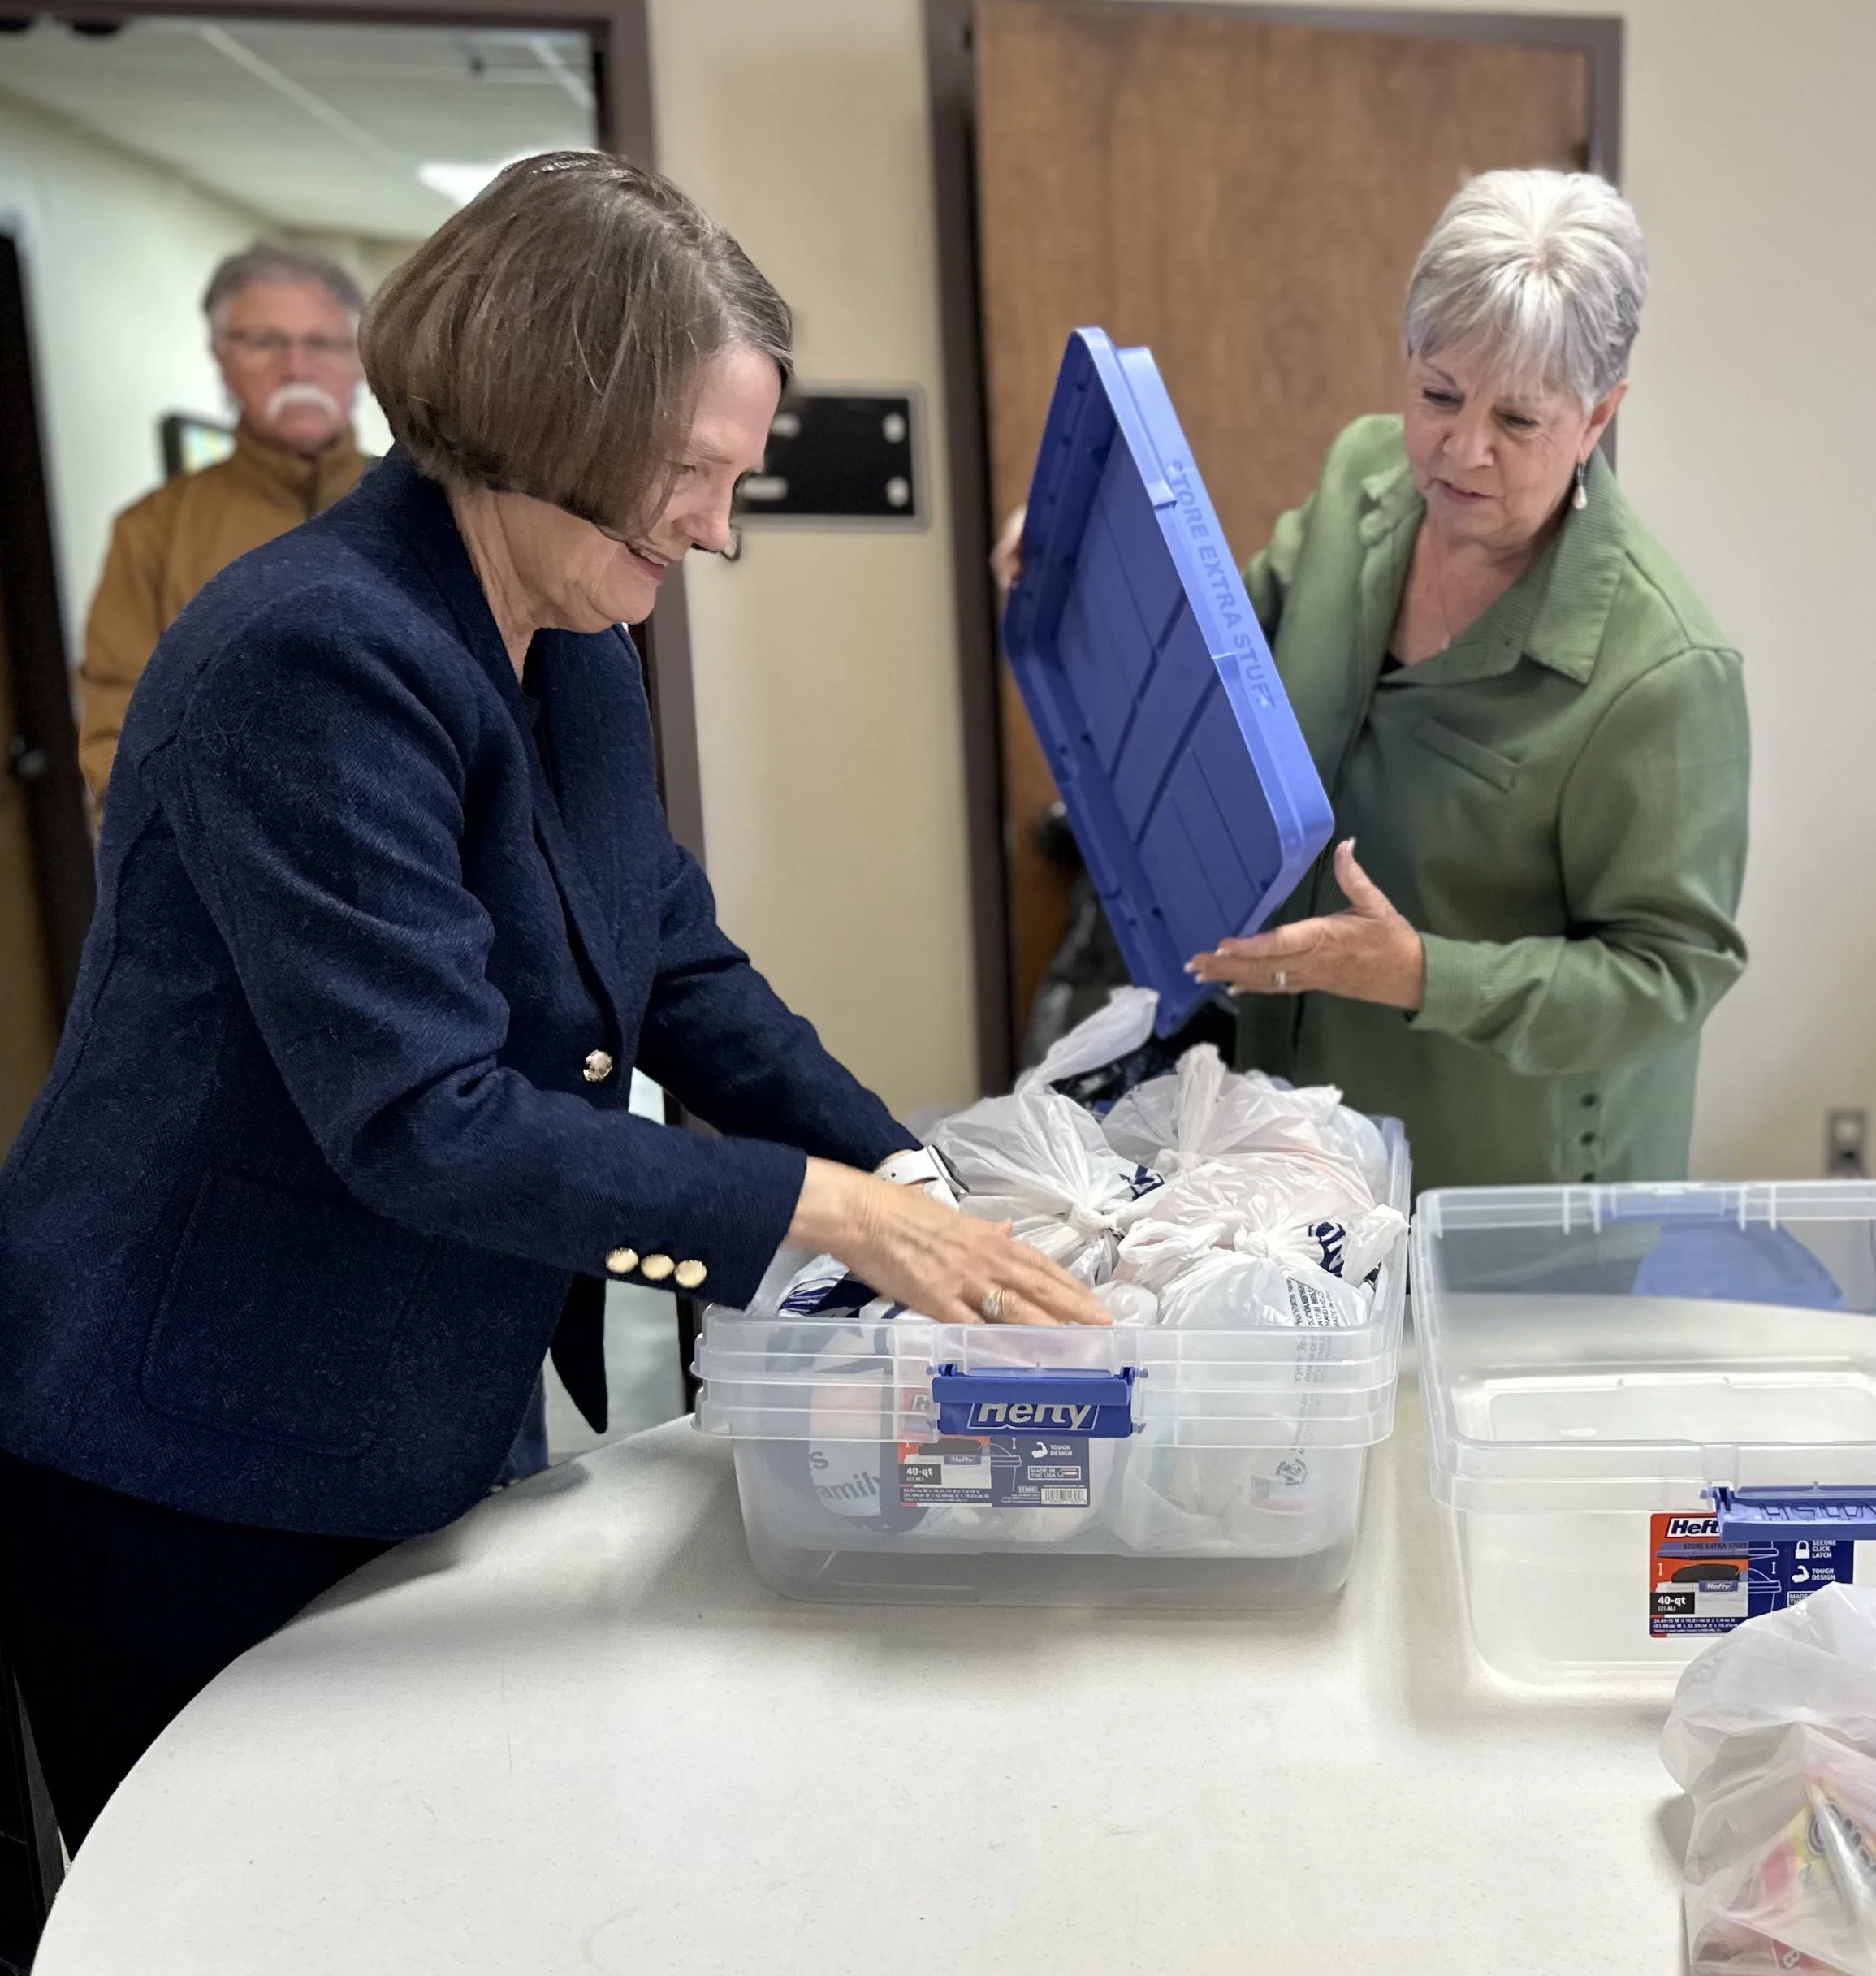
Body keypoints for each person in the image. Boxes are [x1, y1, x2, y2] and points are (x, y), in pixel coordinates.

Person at [0, 153, 1107, 1849]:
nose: (717, 528)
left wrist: (926, 1187)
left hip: (415, 1382)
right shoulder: (308, 656)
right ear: (545, 423)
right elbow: (424, 1117)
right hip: (196, 1440)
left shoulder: (574, 634)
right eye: (690, 476)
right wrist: (828, 1213)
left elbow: (671, 963)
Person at [999, 171, 1748, 1191]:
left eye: (1520, 421)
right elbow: (1229, 654)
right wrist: (1092, 576)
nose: (1463, 448)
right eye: (1438, 392)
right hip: (1289, 1139)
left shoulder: (1662, 672)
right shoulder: (1361, 474)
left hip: (1501, 1196)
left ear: (1599, 416)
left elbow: (1669, 976)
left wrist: (1420, 972)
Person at [76, 241, 371, 805]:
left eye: (325, 343)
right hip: (224, 868)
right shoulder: (155, 531)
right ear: (221, 357)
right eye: (266, 342)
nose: (297, 366)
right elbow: (114, 725)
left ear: (359, 360)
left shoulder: (430, 509)